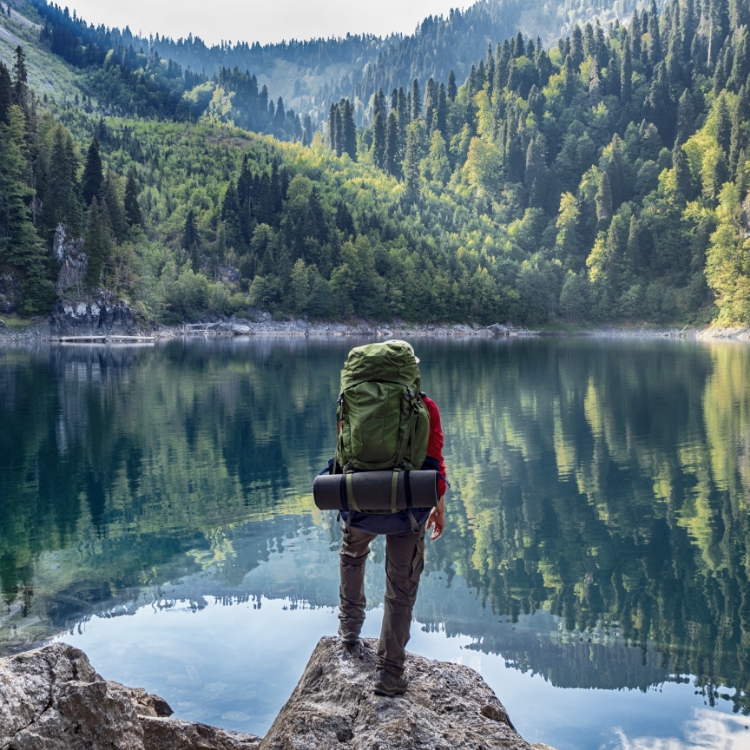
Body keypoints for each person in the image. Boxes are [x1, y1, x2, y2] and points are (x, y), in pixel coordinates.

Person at [337, 340, 447, 698]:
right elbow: (434, 462)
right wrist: (438, 505)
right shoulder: (425, 407)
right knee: (400, 587)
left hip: (358, 504)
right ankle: (389, 672)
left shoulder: (351, 404)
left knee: (352, 554)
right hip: (406, 509)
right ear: (410, 372)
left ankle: (349, 631)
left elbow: (343, 451)